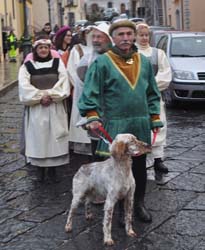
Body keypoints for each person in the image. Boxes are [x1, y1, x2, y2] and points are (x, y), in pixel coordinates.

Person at [78, 19, 163, 223]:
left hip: (140, 124)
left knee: (140, 167)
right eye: (120, 34)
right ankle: (118, 209)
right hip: (115, 125)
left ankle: (139, 204)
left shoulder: (144, 62)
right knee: (116, 170)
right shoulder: (102, 62)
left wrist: (154, 117)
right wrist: (92, 115)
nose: (125, 38)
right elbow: (90, 92)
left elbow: (152, 92)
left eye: (128, 34)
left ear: (133, 36)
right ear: (113, 38)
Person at [18, 36, 70, 183]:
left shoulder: (57, 63)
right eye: (40, 48)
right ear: (35, 50)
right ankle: (40, 170)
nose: (43, 50)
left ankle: (53, 170)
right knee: (38, 138)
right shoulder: (27, 66)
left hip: (54, 106)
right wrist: (40, 97)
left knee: (54, 137)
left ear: (50, 49)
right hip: (37, 109)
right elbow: (24, 85)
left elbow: (63, 82)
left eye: (46, 48)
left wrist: (51, 95)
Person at [135, 23, 172, 176]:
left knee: (158, 126)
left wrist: (148, 87)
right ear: (135, 36)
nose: (144, 38)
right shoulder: (132, 54)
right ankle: (139, 159)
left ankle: (158, 159)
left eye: (146, 35)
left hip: (154, 98)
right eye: (141, 35)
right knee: (139, 129)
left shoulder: (159, 54)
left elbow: (166, 75)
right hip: (136, 100)